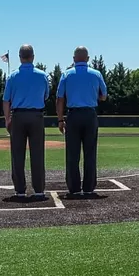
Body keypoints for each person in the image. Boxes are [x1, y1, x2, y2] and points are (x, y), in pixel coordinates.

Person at [55, 45, 107, 198]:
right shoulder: (96, 74)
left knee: (72, 154)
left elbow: (59, 98)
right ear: (88, 59)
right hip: (90, 114)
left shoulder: (66, 74)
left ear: (74, 59)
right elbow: (104, 96)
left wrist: (60, 119)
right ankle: (89, 187)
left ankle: (74, 187)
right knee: (90, 153)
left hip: (73, 115)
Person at [3, 44, 49, 200]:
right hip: (36, 116)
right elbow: (45, 96)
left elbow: (6, 101)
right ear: (33, 57)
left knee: (17, 155)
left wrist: (7, 119)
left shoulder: (12, 77)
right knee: (38, 154)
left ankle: (20, 190)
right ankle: (39, 190)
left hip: (18, 116)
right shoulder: (42, 75)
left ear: (20, 57)